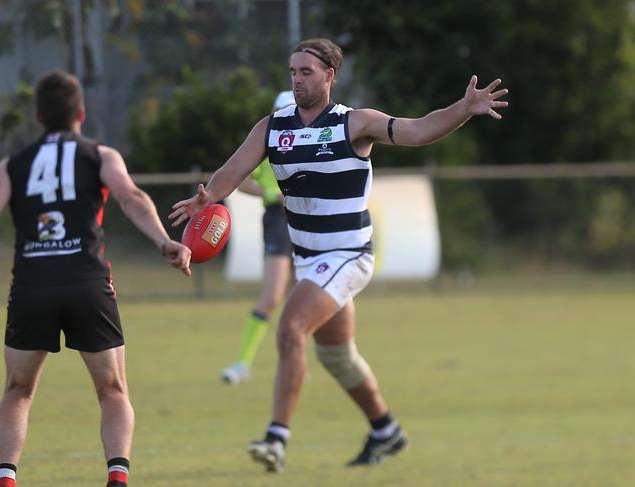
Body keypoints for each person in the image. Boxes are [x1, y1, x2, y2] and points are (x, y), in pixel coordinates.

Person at [169, 38, 508, 473]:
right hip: (309, 259)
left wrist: (463, 109)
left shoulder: (355, 123)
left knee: (291, 330)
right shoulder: (273, 127)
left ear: (330, 75)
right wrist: (208, 197)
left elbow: (418, 130)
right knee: (336, 356)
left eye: (306, 72)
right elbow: (233, 171)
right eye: (292, 72)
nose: (297, 80)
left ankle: (276, 438)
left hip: (349, 255)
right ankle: (385, 429)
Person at [0, 70, 191, 487]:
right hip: (87, 284)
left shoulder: (13, 165)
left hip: (31, 286)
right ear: (82, 111)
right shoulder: (101, 155)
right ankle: (117, 478)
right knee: (113, 390)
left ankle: (6, 479)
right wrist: (162, 241)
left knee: (18, 390)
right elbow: (130, 196)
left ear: (39, 116)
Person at [220, 91, 296, 385]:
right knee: (273, 296)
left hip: (309, 220)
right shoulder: (267, 145)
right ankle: (242, 363)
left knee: (302, 296)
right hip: (277, 220)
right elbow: (242, 181)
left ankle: (296, 361)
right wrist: (271, 194)